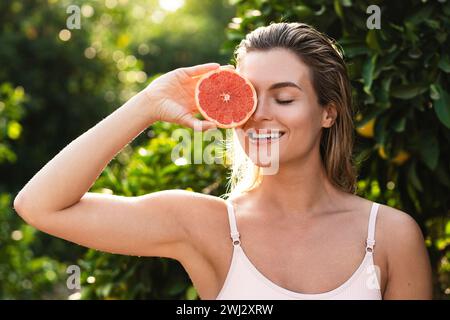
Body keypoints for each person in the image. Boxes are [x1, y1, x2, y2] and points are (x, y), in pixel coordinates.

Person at [14, 22, 432, 300]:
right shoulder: (204, 225)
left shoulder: (390, 235)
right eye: (247, 95)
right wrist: (146, 105)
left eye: (284, 98)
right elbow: (39, 205)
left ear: (328, 112)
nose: (261, 113)